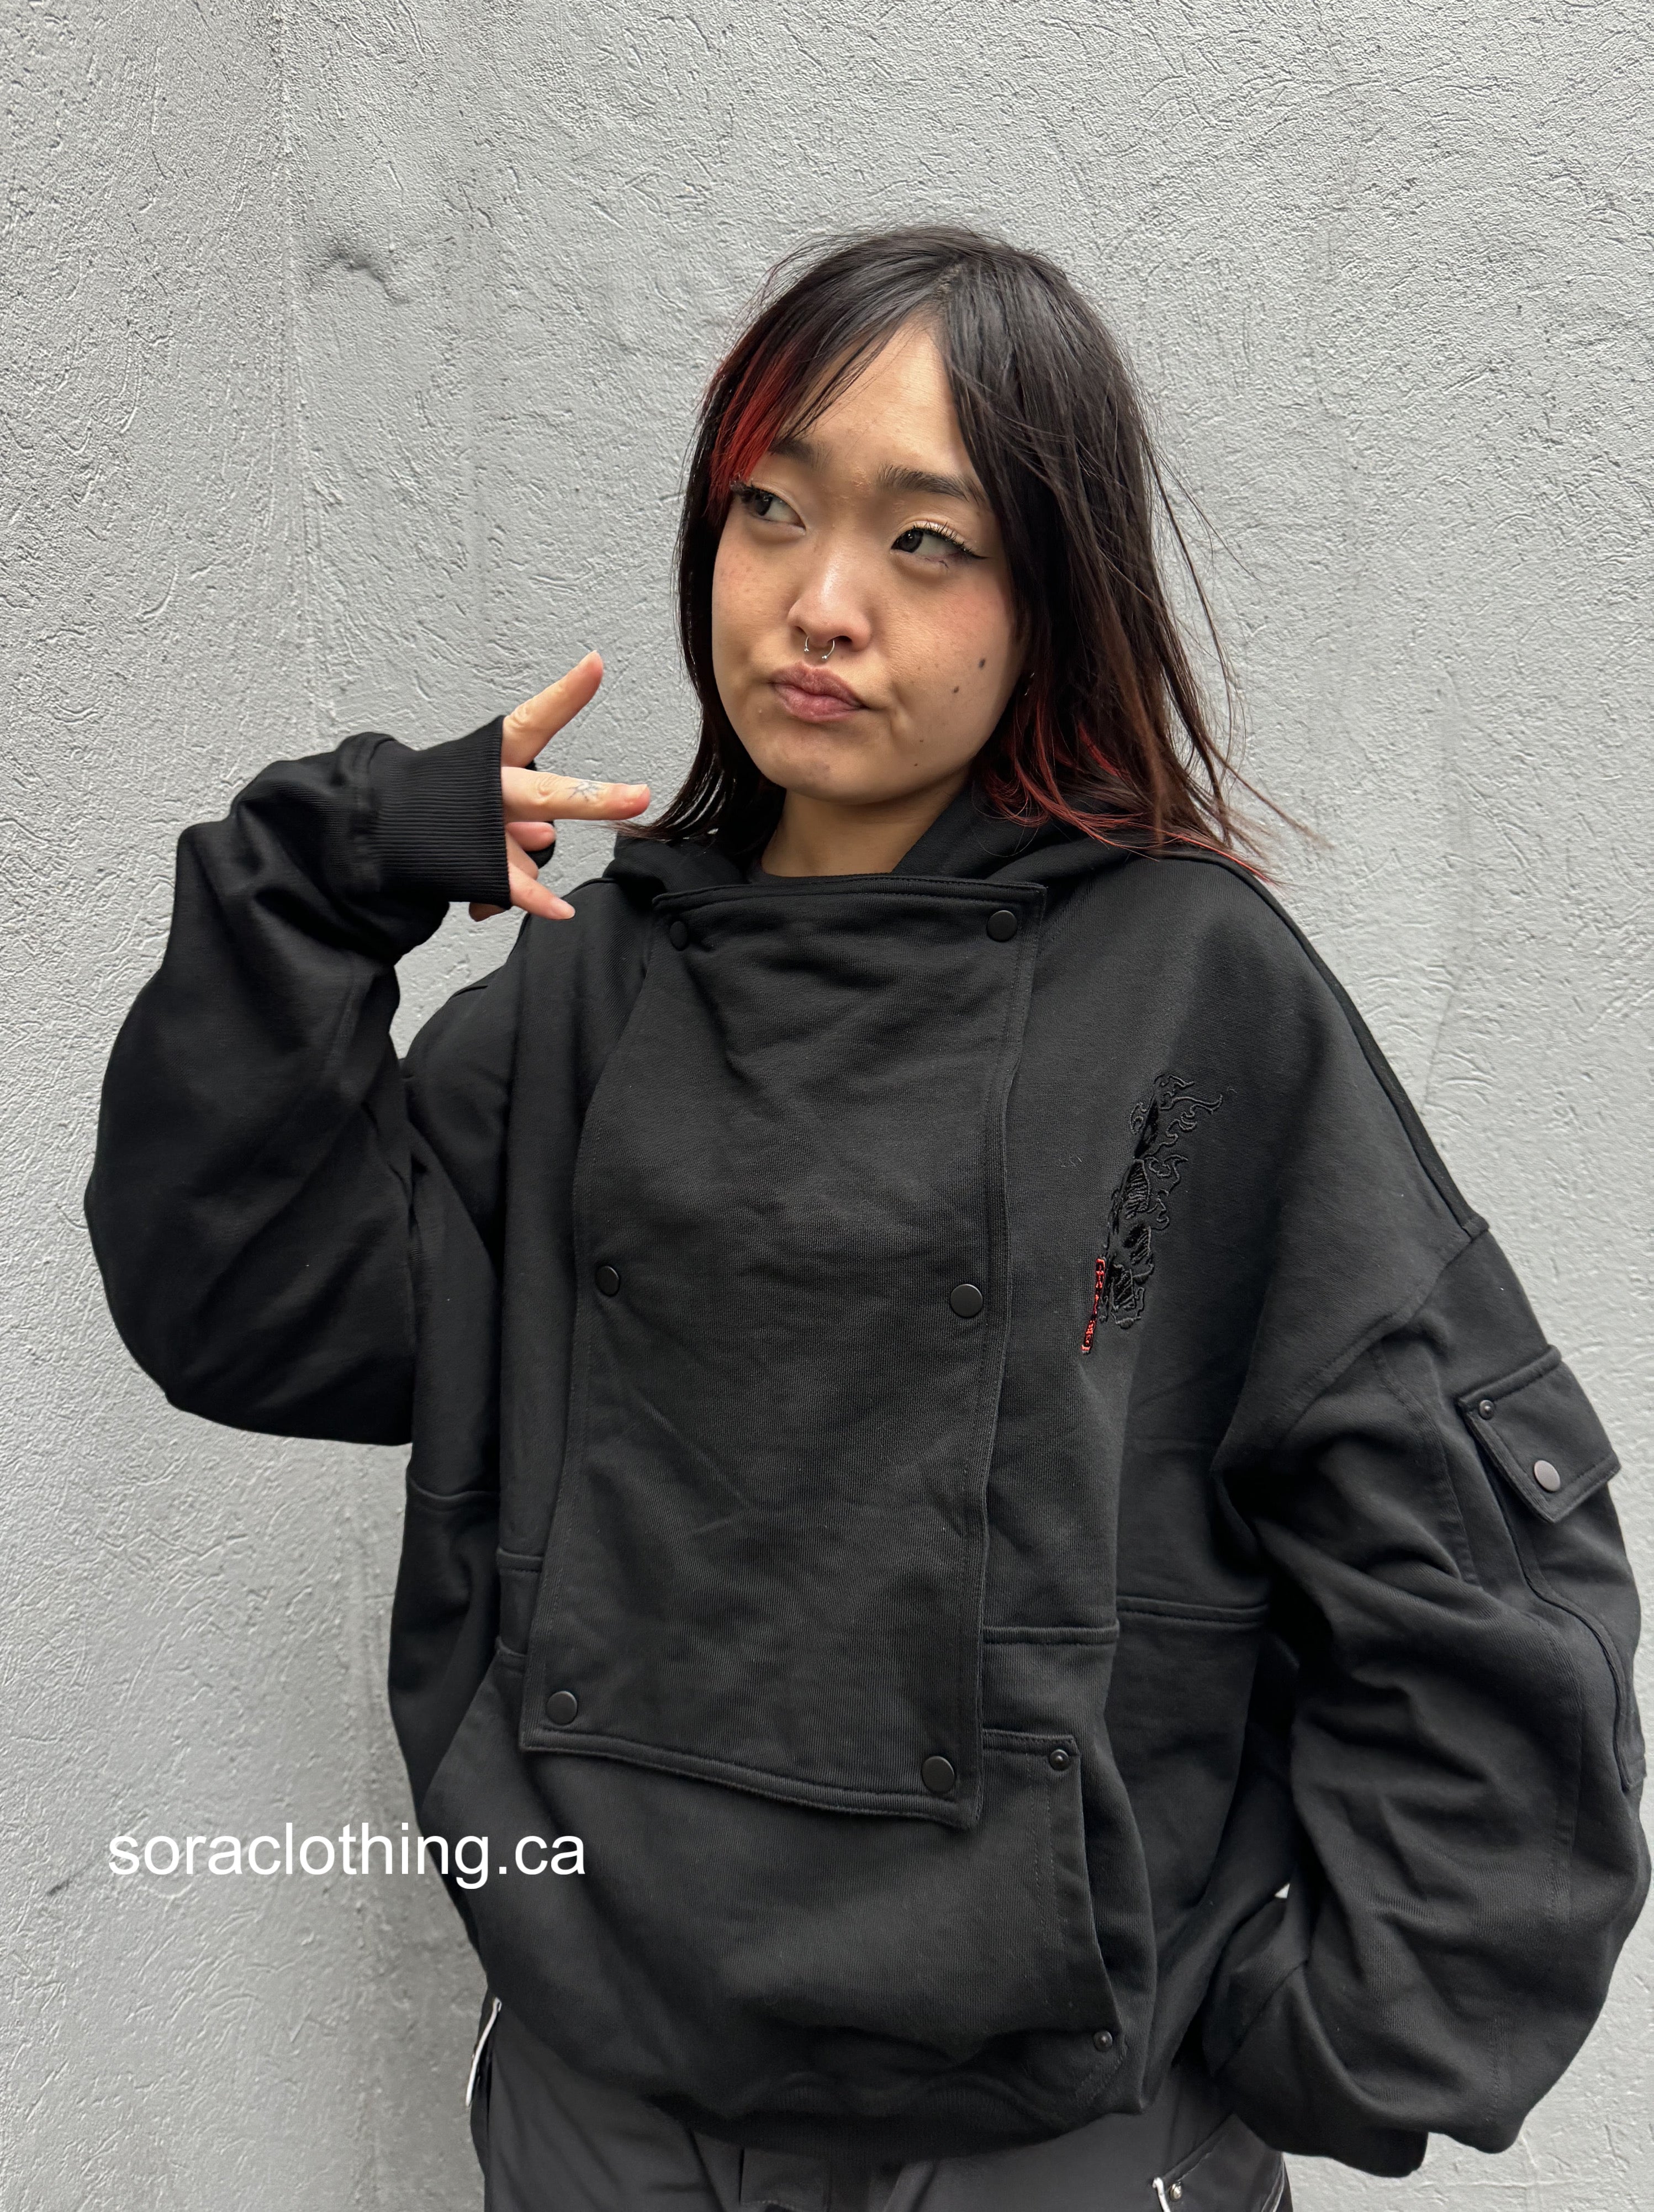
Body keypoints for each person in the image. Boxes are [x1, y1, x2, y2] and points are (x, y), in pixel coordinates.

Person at [86, 227, 1646, 2212]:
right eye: (771, 509)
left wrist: (1317, 2033)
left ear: (1050, 596)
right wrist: (323, 881)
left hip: (1038, 2136)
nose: (821, 603)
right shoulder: (591, 995)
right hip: (609, 2110)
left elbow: (1466, 1547)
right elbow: (251, 1307)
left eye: (927, 541)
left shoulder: (1189, 993)